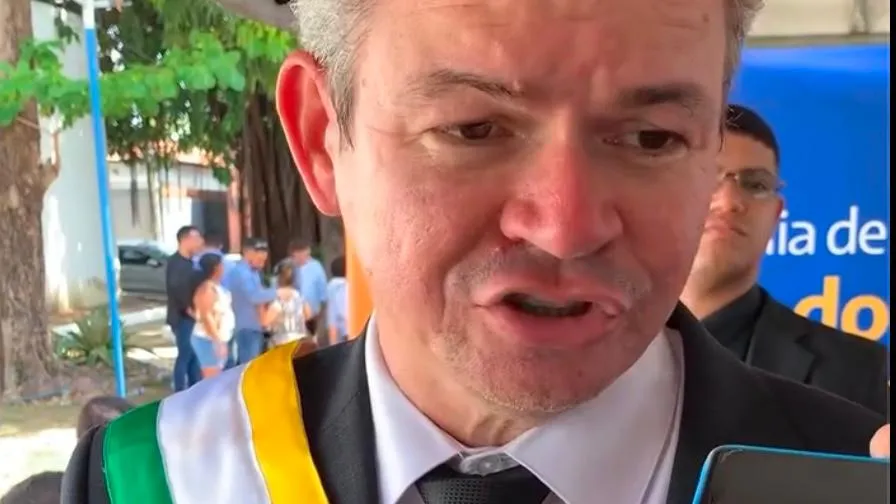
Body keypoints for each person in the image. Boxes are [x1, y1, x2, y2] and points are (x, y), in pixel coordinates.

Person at [61, 1, 890, 503]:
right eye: (474, 128)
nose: (566, 228)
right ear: (321, 141)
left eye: (650, 137)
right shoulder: (159, 480)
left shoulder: (849, 475)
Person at [681, 104, 889, 415]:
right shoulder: (606, 345)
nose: (729, 201)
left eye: (756, 184)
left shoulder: (857, 370)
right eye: (709, 177)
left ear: (776, 214)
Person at [221, 237, 277, 365]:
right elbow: (254, 296)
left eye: (264, 261)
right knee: (248, 365)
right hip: (246, 327)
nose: (262, 264)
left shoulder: (254, 272)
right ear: (248, 253)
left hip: (255, 325)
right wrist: (278, 293)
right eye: (260, 260)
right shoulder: (241, 273)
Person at [164, 225, 202, 391]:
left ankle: (195, 389)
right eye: (196, 238)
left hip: (194, 316)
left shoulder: (192, 263)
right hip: (183, 318)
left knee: (195, 356)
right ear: (185, 240)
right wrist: (189, 310)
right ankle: (180, 391)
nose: (199, 242)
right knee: (185, 355)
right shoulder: (175, 263)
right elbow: (176, 289)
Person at [190, 254, 235, 378]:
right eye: (222, 265)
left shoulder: (216, 287)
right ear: (216, 268)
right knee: (212, 380)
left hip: (218, 338)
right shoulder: (207, 290)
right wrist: (217, 341)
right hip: (208, 340)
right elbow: (207, 316)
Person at [262, 261, 315, 348]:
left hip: (281, 344)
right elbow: (309, 317)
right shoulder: (300, 297)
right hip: (299, 342)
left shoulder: (276, 297)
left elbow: (266, 322)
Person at [287, 238, 328, 337]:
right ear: (294, 254)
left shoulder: (316, 266)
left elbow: (323, 291)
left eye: (308, 255)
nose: (308, 258)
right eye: (304, 255)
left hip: (312, 316)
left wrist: (320, 312)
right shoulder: (285, 267)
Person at [326, 254, 349, 345]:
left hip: (345, 337)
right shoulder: (354, 286)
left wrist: (333, 345)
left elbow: (332, 320)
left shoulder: (332, 289)